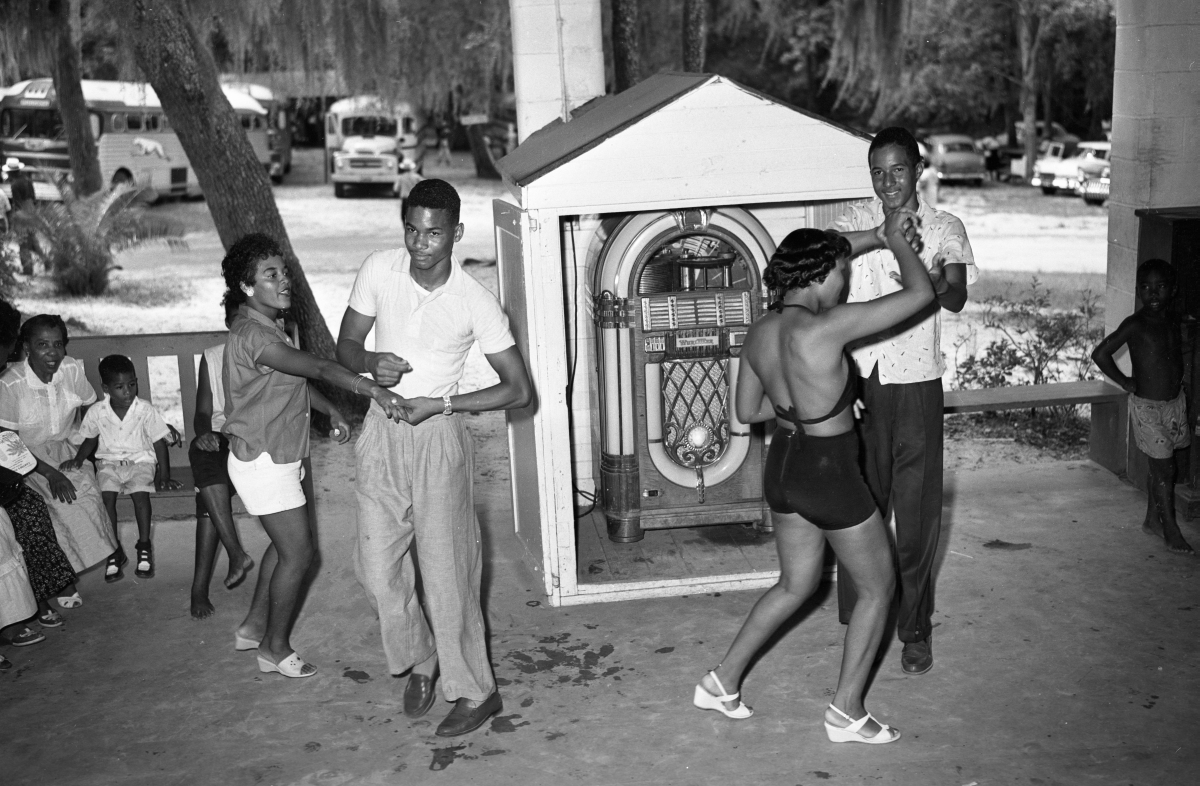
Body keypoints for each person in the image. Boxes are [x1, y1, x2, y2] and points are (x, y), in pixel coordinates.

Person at [693, 223, 932, 743]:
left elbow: (745, 412)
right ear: (823, 275)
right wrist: (895, 239)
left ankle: (721, 681)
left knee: (795, 584)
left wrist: (823, 402)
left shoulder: (760, 330)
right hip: (829, 471)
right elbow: (921, 294)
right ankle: (846, 712)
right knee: (878, 588)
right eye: (842, 273)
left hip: (784, 465)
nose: (843, 285)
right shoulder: (828, 327)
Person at [336, 178, 532, 737]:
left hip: (438, 435)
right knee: (375, 568)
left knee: (447, 575)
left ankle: (476, 691)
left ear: (456, 234)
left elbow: (518, 389)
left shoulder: (475, 300)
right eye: (412, 230)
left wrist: (444, 402)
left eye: (434, 233)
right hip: (382, 427)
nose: (421, 243)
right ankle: (422, 657)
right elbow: (344, 348)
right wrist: (373, 362)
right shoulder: (379, 268)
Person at [221, 233, 405, 678]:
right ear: (247, 287)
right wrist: (371, 389)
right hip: (263, 459)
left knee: (286, 549)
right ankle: (274, 649)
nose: (285, 281)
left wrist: (329, 410)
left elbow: (291, 380)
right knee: (300, 555)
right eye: (271, 275)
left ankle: (252, 626)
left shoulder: (266, 325)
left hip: (275, 455)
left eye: (284, 272)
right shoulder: (252, 335)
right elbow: (317, 367)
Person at [831, 127, 977, 676]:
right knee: (858, 508)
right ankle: (859, 617)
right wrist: (883, 236)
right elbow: (829, 261)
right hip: (861, 385)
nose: (887, 181)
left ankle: (915, 628)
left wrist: (930, 279)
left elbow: (957, 296)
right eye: (877, 172)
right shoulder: (854, 222)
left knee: (915, 517)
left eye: (897, 170)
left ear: (918, 169)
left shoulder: (945, 227)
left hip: (916, 383)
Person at [0, 315, 116, 609]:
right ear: (26, 347)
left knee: (85, 497)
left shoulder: (71, 369)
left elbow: (92, 407)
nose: (52, 353)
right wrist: (50, 473)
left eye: (57, 345)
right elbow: (8, 443)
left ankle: (67, 571)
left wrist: (83, 451)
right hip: (24, 458)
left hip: (66, 448)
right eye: (42, 345)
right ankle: (61, 581)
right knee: (53, 507)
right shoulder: (10, 385)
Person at [1092, 258, 1194, 556]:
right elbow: (1100, 353)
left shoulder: (1173, 320)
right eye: (1146, 288)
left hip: (1173, 405)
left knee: (1161, 464)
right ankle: (1171, 529)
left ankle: (1152, 519)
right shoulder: (1135, 324)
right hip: (1147, 408)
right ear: (1137, 291)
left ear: (1172, 290)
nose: (1152, 294)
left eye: (1160, 287)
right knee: (1165, 468)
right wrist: (1125, 381)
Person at [59, 355, 182, 581]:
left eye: (132, 384)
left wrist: (164, 475)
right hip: (108, 464)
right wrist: (78, 459)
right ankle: (114, 550)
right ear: (106, 388)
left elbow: (158, 443)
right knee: (107, 499)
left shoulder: (145, 410)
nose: (128, 392)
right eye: (120, 387)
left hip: (140, 462)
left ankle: (144, 546)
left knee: (140, 496)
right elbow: (90, 439)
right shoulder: (97, 411)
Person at [189, 308, 255, 619]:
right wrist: (203, 433)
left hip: (257, 434)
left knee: (208, 493)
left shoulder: (271, 350)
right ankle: (235, 553)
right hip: (222, 434)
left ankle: (200, 587)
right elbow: (203, 412)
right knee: (202, 455)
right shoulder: (213, 356)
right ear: (229, 324)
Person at [3, 158, 38, 276]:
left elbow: (17, 203)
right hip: (31, 209)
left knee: (23, 241)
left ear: (11, 172)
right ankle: (47, 261)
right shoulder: (28, 180)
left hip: (22, 210)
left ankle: (28, 269)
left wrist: (15, 218)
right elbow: (34, 197)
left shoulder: (14, 185)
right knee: (32, 238)